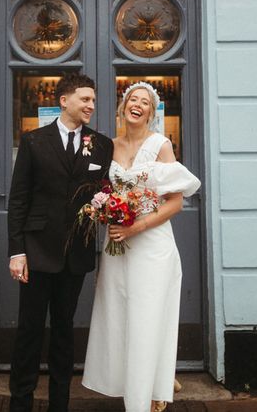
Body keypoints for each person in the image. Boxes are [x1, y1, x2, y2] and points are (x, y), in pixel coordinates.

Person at [82, 81, 201, 412]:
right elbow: (100, 189)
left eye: (145, 102)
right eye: (132, 99)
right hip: (117, 245)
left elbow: (175, 203)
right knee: (119, 316)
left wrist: (138, 226)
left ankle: (148, 395)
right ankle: (140, 382)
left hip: (151, 244)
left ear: (152, 111)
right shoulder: (108, 147)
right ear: (122, 108)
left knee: (148, 317)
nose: (137, 104)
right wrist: (102, 209)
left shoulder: (161, 146)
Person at [7, 72, 114, 412]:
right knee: (29, 332)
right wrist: (17, 251)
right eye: (85, 99)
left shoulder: (101, 144)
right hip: (37, 251)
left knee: (64, 332)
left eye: (93, 101)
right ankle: (20, 404)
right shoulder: (34, 141)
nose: (91, 106)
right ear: (64, 100)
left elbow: (105, 192)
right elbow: (19, 199)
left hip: (76, 254)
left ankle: (59, 404)